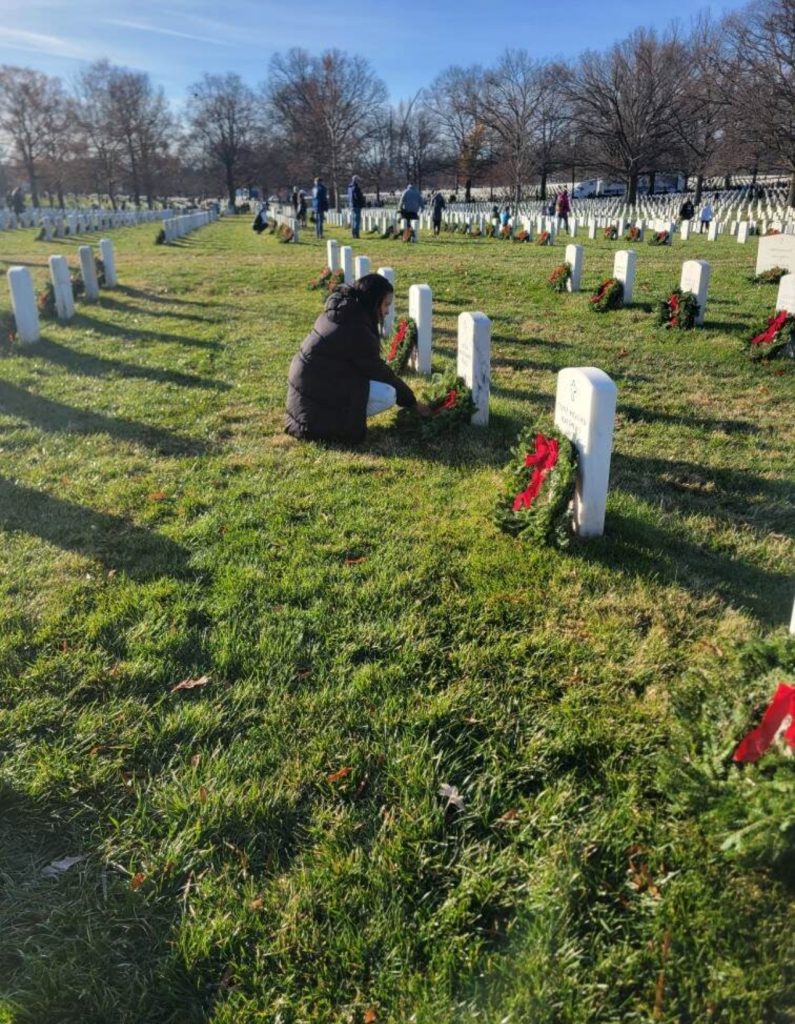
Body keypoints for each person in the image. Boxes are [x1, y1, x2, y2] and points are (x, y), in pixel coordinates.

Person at [285, 274, 431, 444]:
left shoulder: (344, 311)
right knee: (388, 394)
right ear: (373, 301)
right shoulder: (355, 327)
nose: (388, 311)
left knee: (362, 383)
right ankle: (337, 423)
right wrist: (412, 402)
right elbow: (379, 372)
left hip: (310, 388)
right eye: (386, 305)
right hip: (311, 409)